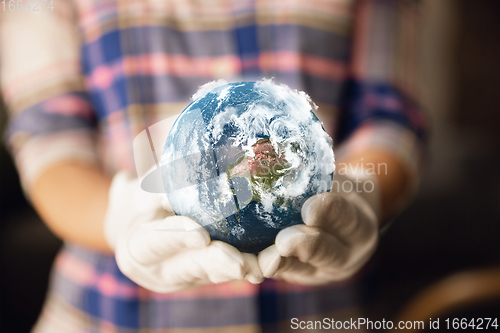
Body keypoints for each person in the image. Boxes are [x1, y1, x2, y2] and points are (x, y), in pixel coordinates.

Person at [1, 0, 426, 331]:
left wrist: (364, 194)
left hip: (326, 309)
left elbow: (387, 120)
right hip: (107, 314)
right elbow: (50, 141)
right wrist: (119, 218)